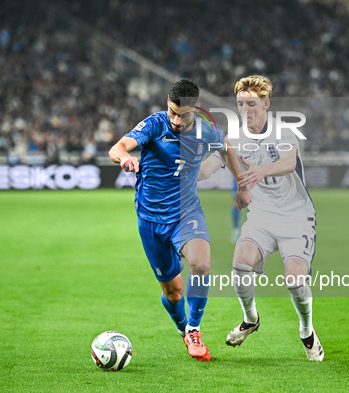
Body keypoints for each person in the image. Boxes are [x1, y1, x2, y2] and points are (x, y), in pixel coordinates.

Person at [109, 79, 251, 361]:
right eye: (171, 111)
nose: (175, 120)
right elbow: (118, 147)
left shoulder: (206, 129)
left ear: (195, 109)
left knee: (201, 263)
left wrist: (242, 186)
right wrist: (125, 158)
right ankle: (184, 330)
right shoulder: (154, 124)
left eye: (182, 114)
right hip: (150, 220)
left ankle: (195, 329)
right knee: (174, 293)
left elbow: (226, 148)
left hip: (187, 213)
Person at [200, 75, 324, 361]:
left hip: (296, 218)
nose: (246, 109)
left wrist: (261, 171)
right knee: (240, 262)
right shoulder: (235, 139)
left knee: (295, 281)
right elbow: (211, 165)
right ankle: (250, 318)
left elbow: (288, 161)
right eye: (241, 104)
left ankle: (307, 331)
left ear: (266, 104)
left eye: (252, 104)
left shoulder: (283, 132)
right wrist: (189, 176)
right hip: (262, 217)